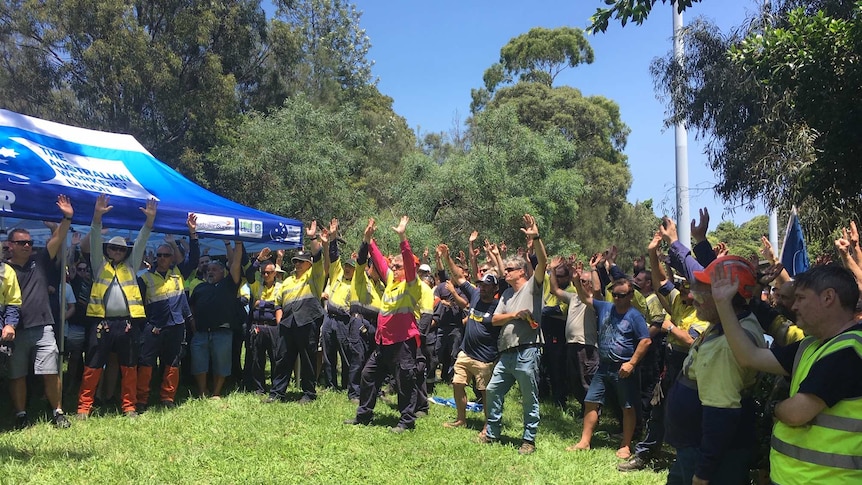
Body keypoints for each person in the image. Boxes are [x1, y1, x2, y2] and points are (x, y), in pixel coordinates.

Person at [712, 263, 862, 484]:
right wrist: (723, 304)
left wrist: (773, 408)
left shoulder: (850, 349)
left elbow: (796, 413)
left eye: (801, 298)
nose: (794, 306)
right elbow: (750, 356)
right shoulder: (811, 345)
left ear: (828, 297)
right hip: (794, 477)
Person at [659, 213, 767, 485]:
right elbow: (695, 269)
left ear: (727, 296)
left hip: (710, 459)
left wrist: (703, 473)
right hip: (698, 449)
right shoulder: (729, 321)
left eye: (704, 290)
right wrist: (679, 243)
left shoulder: (727, 347)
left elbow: (721, 415)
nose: (693, 296)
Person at [78, 194, 156, 419]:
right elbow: (94, 239)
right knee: (92, 366)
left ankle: (129, 407)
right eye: (113, 248)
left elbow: (141, 241)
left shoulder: (131, 266)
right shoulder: (98, 264)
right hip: (101, 323)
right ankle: (84, 407)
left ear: (126, 253)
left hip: (127, 324)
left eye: (121, 250)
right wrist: (97, 217)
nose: (117, 252)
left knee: (129, 367)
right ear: (107, 250)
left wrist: (149, 222)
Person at [344, 216, 421, 433]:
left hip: (402, 343)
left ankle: (407, 421)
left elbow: (408, 262)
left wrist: (402, 237)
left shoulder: (410, 285)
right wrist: (369, 241)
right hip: (383, 342)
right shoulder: (391, 283)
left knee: (404, 381)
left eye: (397, 266)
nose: (393, 269)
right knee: (368, 375)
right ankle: (364, 415)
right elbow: (378, 261)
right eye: (393, 266)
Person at [480, 214, 547, 455]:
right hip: (506, 353)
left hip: (528, 350)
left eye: (508, 270)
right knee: (492, 390)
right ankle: (493, 432)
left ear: (521, 272)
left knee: (529, 397)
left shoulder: (533, 287)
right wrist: (515, 315)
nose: (504, 273)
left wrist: (535, 237)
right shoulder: (506, 295)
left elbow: (543, 262)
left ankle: (528, 440)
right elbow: (495, 320)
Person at [568, 273, 651, 459]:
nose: (618, 299)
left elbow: (645, 341)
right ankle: (584, 441)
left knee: (627, 407)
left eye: (622, 295)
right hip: (603, 366)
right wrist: (576, 282)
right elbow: (585, 298)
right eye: (615, 295)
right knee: (590, 401)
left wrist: (631, 363)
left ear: (630, 295)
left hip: (623, 369)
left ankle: (626, 445)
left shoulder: (634, 316)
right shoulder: (605, 307)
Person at [135, 213, 199, 411]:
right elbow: (138, 307)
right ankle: (142, 400)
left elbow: (194, 259)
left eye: (166, 255)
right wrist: (148, 326)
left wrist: (192, 233)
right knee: (146, 363)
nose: (163, 258)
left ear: (172, 258)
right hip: (153, 328)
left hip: (176, 326)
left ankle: (167, 398)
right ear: (155, 257)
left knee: (172, 362)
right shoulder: (144, 278)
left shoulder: (178, 274)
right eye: (160, 255)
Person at [438, 243, 502, 433]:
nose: (482, 289)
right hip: (466, 353)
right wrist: (448, 257)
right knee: (457, 383)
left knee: (485, 393)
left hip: (485, 358)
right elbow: (458, 277)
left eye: (487, 286)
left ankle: (488, 424)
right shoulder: (474, 294)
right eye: (481, 285)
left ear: (494, 288)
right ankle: (461, 419)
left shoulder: (499, 305)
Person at [266, 221, 329, 404]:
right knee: (283, 358)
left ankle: (309, 393)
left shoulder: (314, 277)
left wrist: (312, 238)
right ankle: (277, 392)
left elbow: (318, 259)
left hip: (307, 321)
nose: (298, 264)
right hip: (288, 323)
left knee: (308, 359)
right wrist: (280, 322)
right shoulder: (287, 281)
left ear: (309, 264)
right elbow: (278, 303)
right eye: (295, 261)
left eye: (302, 262)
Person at [189, 245, 243, 399]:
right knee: (199, 363)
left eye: (214, 269)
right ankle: (202, 390)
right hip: (200, 333)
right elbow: (191, 306)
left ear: (223, 272)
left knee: (222, 363)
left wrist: (234, 243)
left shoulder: (229, 284)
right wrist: (192, 322)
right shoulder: (200, 287)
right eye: (208, 270)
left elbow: (235, 263)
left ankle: (216, 392)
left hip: (222, 332)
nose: (210, 272)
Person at [243, 248, 282, 395]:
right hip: (258, 326)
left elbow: (280, 306)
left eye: (269, 272)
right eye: (263, 272)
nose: (266, 275)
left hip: (273, 328)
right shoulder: (257, 285)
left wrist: (262, 303)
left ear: (275, 273)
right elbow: (248, 274)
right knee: (257, 360)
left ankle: (276, 387)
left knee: (275, 359)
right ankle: (259, 388)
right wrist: (258, 260)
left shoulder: (281, 287)